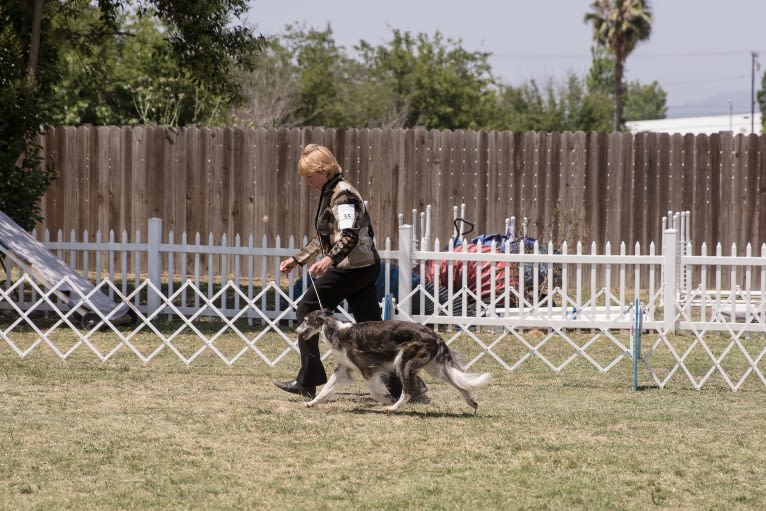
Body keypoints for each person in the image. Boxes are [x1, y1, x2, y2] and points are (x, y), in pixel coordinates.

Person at [274, 143, 427, 401]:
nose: (308, 181)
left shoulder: (343, 195)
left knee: (306, 311)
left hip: (351, 268)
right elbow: (326, 237)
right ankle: (408, 387)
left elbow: (348, 236)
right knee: (374, 333)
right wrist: (298, 259)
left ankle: (308, 381)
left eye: (309, 175)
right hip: (361, 267)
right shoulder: (330, 191)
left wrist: (329, 261)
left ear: (322, 170)